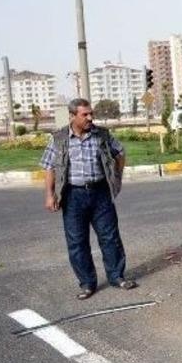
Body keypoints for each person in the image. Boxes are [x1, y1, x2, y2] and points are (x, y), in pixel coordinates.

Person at [41, 98, 137, 299]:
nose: (90, 118)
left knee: (110, 237)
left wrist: (117, 175)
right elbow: (49, 166)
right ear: (72, 116)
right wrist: (50, 195)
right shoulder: (59, 138)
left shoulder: (101, 135)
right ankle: (87, 283)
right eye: (84, 114)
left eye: (91, 113)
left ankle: (117, 277)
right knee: (77, 242)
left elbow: (120, 152)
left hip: (100, 193)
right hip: (72, 196)